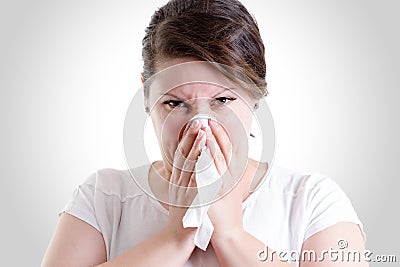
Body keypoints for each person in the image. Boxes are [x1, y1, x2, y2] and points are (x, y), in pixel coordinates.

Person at [42, 0, 367, 266]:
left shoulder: (312, 201)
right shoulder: (104, 197)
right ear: (146, 96)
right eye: (174, 103)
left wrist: (231, 236)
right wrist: (175, 237)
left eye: (222, 100)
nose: (200, 125)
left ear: (255, 97)